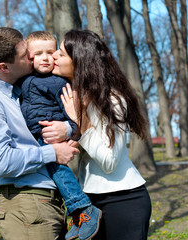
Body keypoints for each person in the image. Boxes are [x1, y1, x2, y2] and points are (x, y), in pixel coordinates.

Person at [0, 27, 80, 240]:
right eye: (25, 55)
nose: (32, 56)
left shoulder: (20, 92)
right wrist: (52, 153)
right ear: (4, 67)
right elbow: (1, 162)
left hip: (47, 203)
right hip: (28, 205)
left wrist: (68, 129)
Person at [50, 29, 152, 240]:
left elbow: (109, 162)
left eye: (61, 53)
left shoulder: (113, 100)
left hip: (123, 201)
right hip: (89, 202)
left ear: (79, 60)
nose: (54, 57)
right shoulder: (73, 95)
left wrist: (81, 123)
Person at [20, 31, 101, 240]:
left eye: (50, 52)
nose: (45, 57)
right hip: (36, 136)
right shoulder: (25, 80)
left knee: (60, 173)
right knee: (54, 176)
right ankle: (75, 216)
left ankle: (83, 208)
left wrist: (69, 130)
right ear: (28, 57)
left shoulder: (58, 83)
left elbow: (75, 117)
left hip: (50, 135)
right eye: (38, 54)